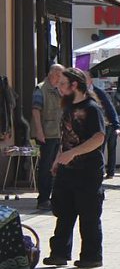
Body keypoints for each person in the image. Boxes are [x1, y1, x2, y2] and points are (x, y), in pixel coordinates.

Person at [42, 68, 106, 269]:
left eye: (62, 83)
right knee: (63, 213)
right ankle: (59, 254)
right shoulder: (68, 107)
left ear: (74, 85)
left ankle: (91, 257)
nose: (58, 87)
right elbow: (65, 138)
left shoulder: (91, 108)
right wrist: (58, 159)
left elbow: (99, 138)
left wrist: (73, 153)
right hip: (67, 170)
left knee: (88, 215)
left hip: (88, 171)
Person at [32, 64, 64, 210]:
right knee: (46, 167)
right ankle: (43, 199)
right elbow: (35, 111)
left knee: (54, 167)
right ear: (53, 74)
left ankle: (52, 197)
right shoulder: (41, 89)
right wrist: (39, 131)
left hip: (57, 133)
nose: (61, 78)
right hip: (47, 134)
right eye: (60, 75)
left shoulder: (58, 90)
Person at [86, 73, 120, 179]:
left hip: (107, 125)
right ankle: (101, 172)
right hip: (101, 124)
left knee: (106, 149)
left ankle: (109, 172)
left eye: (85, 79)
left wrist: (116, 126)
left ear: (90, 80)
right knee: (100, 149)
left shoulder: (98, 92)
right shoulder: (85, 92)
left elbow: (110, 107)